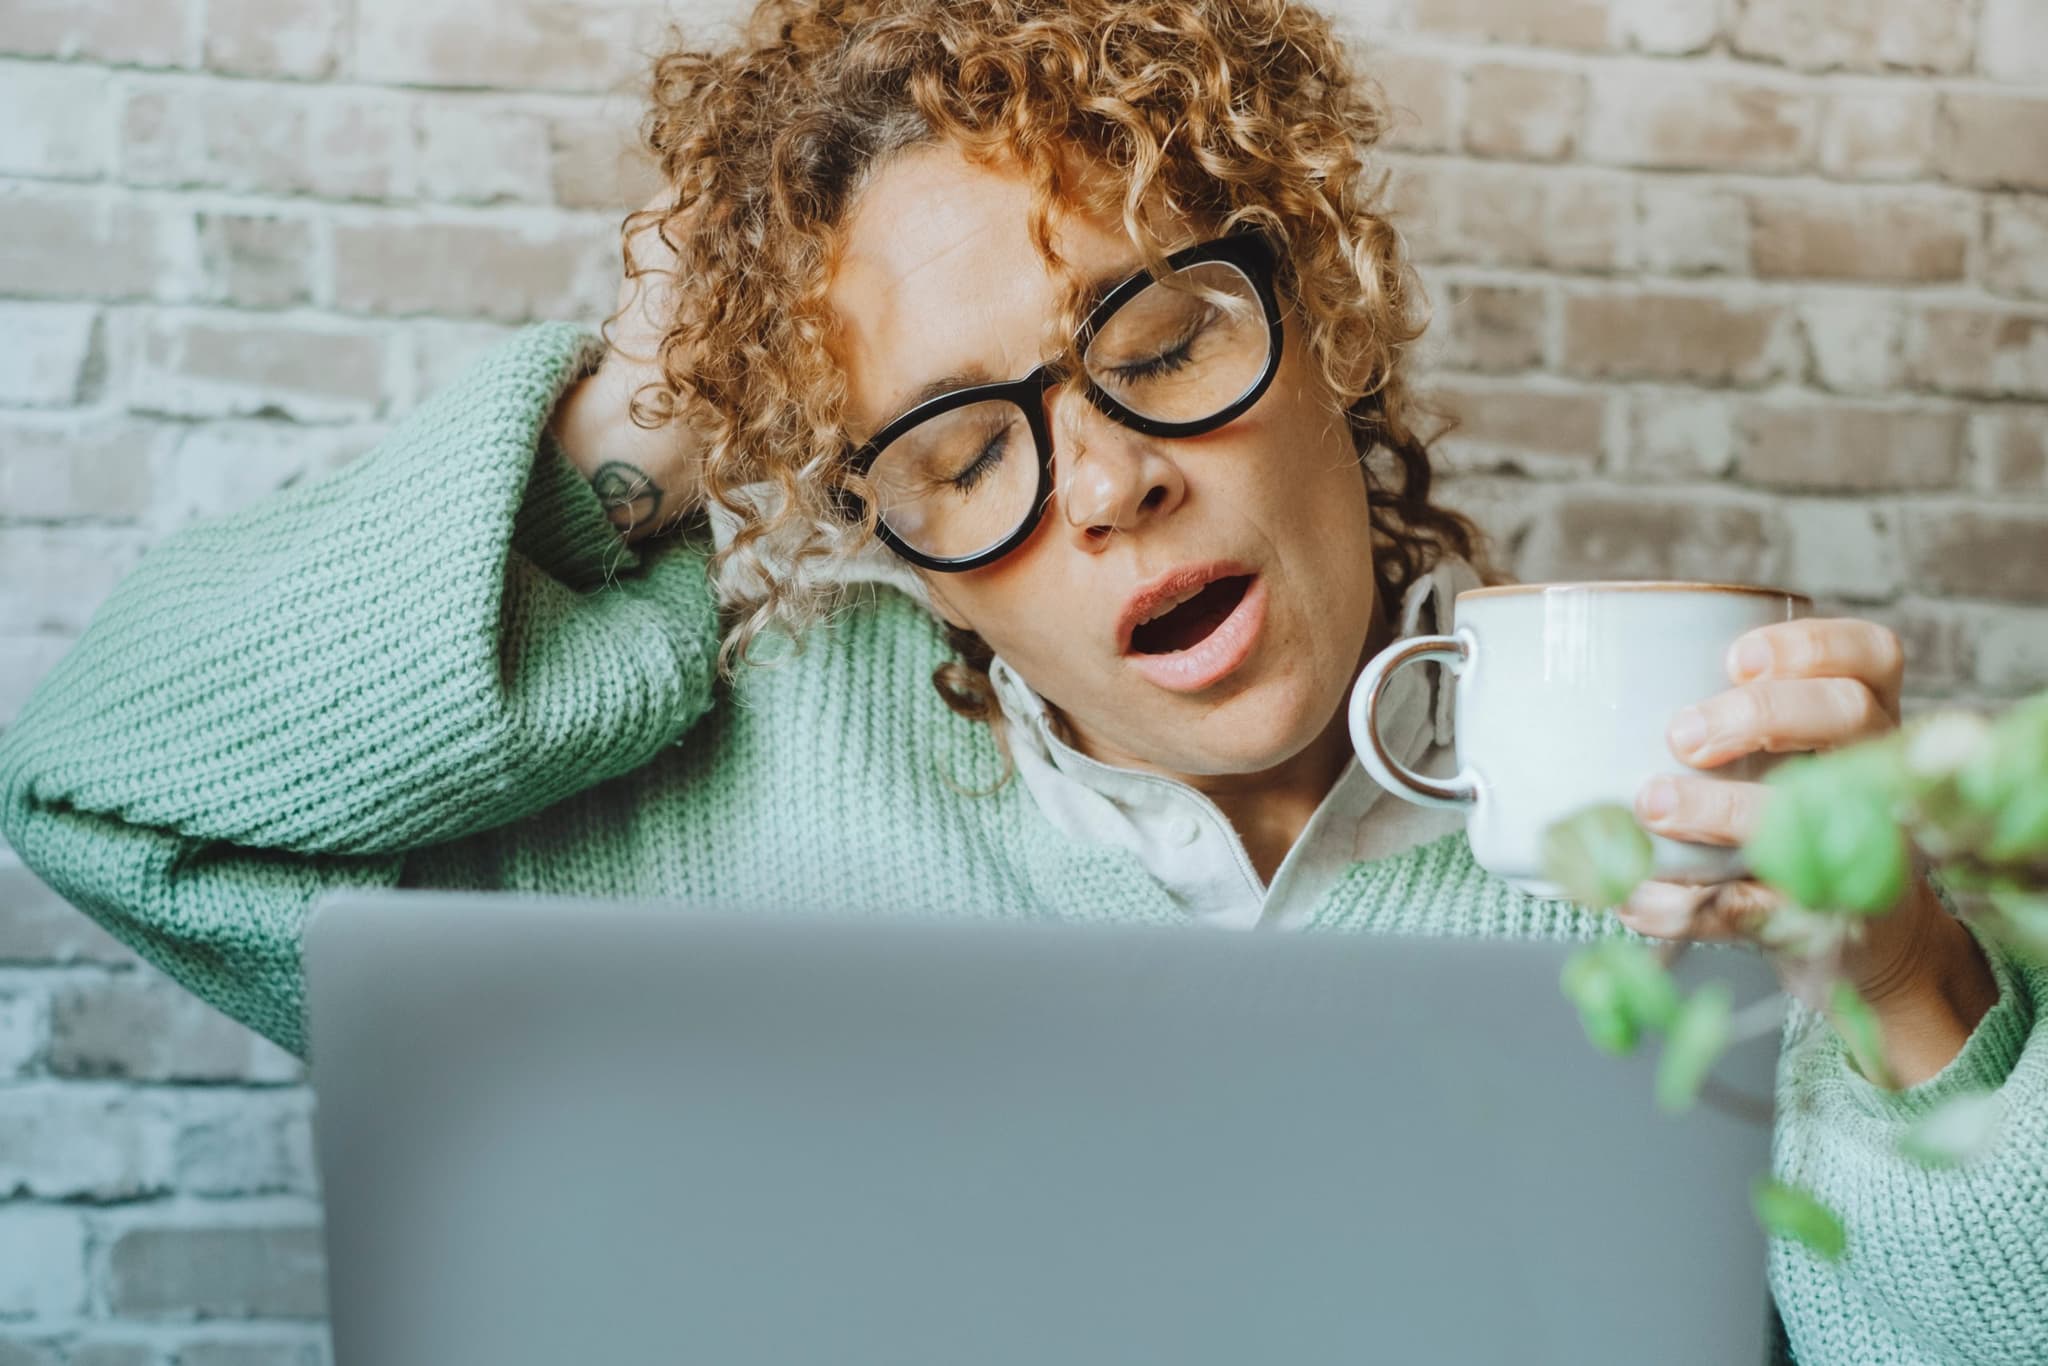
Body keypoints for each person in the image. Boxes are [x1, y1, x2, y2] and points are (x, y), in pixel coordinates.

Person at [0, 1, 2040, 1360]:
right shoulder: (736, 798)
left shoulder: (1694, 805)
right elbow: (105, 795)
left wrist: (1907, 987)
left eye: (1154, 343)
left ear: (1317, 315)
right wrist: (635, 414)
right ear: (907, 546)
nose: (1106, 479)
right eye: (963, 448)